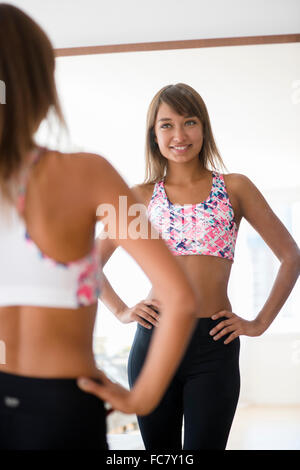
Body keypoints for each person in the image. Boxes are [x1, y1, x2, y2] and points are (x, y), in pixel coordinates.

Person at [0, 5, 198, 450]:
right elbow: (180, 296)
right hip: (62, 404)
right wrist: (141, 398)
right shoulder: (88, 174)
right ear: (42, 88)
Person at [79, 83, 300, 450]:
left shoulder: (235, 188)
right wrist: (120, 310)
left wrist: (258, 323)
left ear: (204, 128)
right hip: (154, 342)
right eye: (166, 125)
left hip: (215, 343)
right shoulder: (140, 196)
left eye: (189, 122)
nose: (179, 135)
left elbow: (291, 257)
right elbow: (88, 263)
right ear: (153, 134)